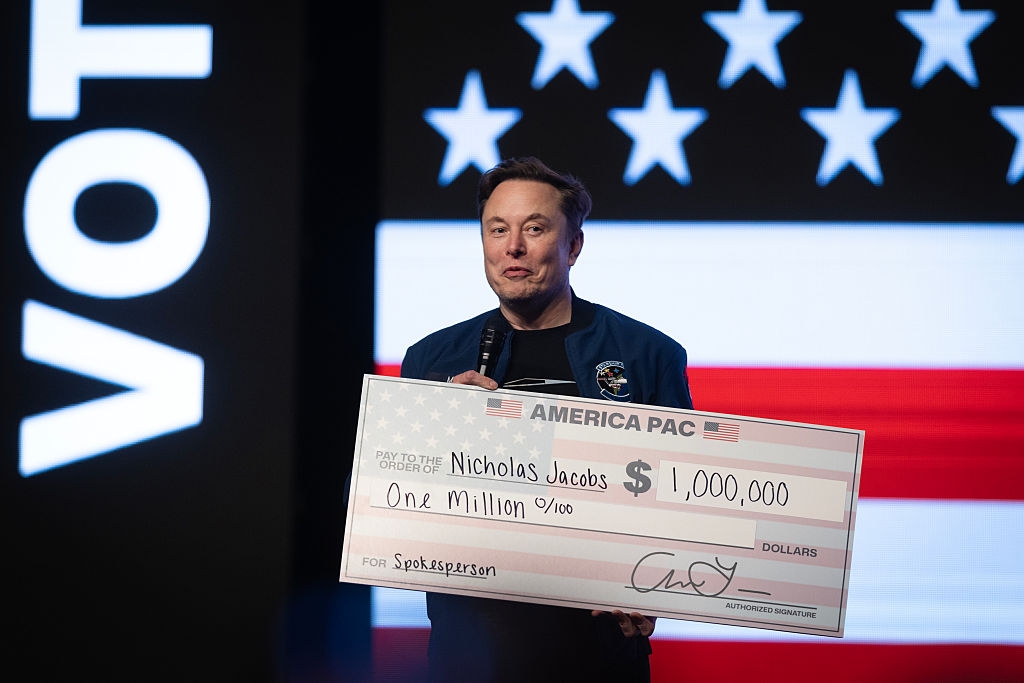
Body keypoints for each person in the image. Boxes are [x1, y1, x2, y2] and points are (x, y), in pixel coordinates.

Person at [400, 156, 694, 682]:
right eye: (497, 230)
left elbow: (685, 505)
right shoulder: (430, 361)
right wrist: (437, 435)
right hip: (468, 659)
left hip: (597, 658)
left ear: (574, 246)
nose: (513, 247)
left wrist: (656, 582)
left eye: (534, 229)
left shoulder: (648, 354)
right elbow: (394, 515)